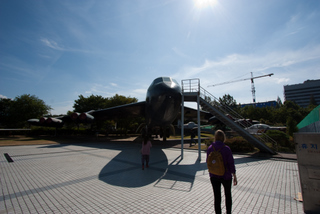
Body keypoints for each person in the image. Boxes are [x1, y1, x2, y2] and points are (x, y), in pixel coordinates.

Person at [207, 130, 237, 214]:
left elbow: (208, 162)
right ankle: (228, 212)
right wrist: (234, 174)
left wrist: (211, 173)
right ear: (223, 137)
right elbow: (231, 162)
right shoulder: (226, 149)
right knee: (228, 195)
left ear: (215, 137)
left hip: (213, 176)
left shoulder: (210, 148)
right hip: (226, 176)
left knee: (217, 197)